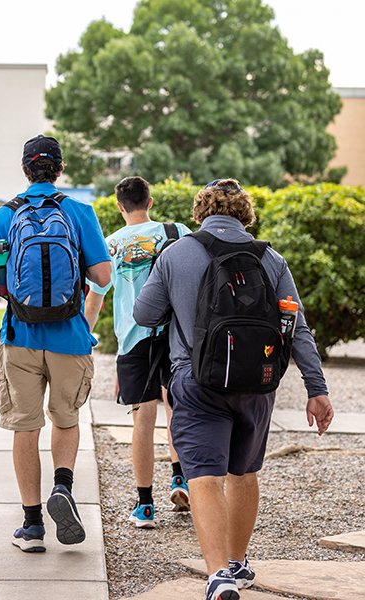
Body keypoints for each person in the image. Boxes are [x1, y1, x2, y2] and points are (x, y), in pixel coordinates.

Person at [133, 178, 333, 600]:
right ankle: (239, 563)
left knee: (203, 476)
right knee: (243, 473)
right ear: (246, 213)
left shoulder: (176, 254)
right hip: (257, 384)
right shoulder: (271, 259)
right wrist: (317, 389)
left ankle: (218, 574)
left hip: (197, 380)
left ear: (200, 211)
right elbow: (297, 329)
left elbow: (145, 313)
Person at [0, 135, 111, 553]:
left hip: (19, 336)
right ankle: (63, 486)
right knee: (65, 418)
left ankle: (32, 525)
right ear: (60, 169)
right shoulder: (79, 212)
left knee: (25, 426)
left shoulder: (4, 215)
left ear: (25, 169)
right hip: (70, 337)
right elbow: (103, 276)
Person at [84, 176, 192, 528]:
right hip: (177, 337)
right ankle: (181, 479)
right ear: (151, 201)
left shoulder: (110, 245)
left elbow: (96, 299)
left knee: (142, 420)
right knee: (177, 410)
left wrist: (83, 336)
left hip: (133, 339)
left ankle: (145, 505)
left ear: (119, 206)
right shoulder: (178, 232)